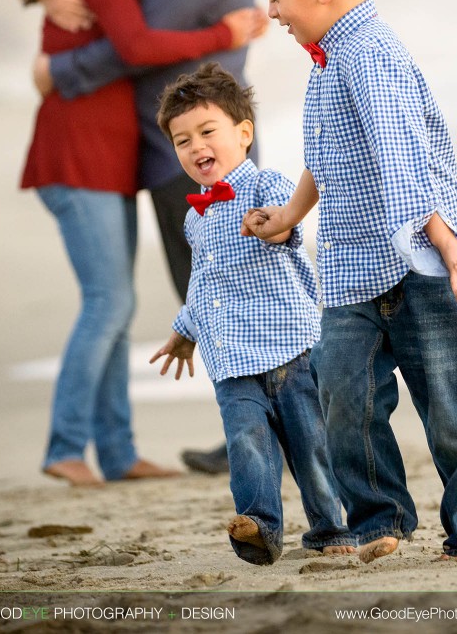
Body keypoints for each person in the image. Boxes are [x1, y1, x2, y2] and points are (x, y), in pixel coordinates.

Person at [242, 0, 457, 563]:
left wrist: (447, 244)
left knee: (450, 415)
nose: (272, 11)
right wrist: (292, 216)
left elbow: (403, 156)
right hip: (355, 268)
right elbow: (330, 155)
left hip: (422, 266)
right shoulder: (331, 58)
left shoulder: (370, 55)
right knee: (343, 399)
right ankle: (379, 518)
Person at [18, 0, 262, 487]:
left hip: (104, 160)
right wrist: (223, 32)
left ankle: (119, 453)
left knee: (115, 308)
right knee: (110, 302)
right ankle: (66, 447)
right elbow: (134, 47)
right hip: (79, 158)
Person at [149, 63, 357, 565]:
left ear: (244, 134)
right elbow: (203, 284)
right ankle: (259, 528)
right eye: (182, 141)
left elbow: (290, 225)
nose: (196, 147)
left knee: (311, 447)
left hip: (291, 348)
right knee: (246, 442)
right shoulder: (194, 217)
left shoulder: (266, 184)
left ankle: (331, 528)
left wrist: (276, 227)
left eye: (207, 132)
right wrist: (185, 330)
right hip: (232, 358)